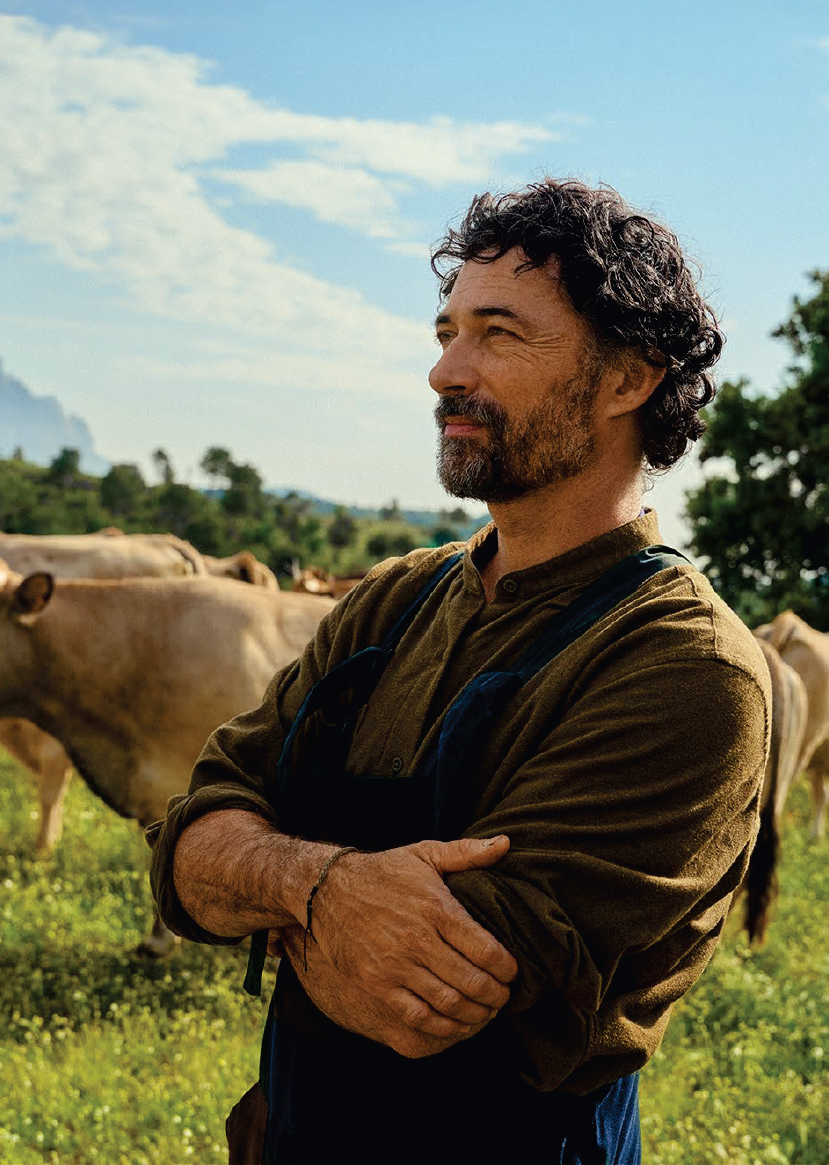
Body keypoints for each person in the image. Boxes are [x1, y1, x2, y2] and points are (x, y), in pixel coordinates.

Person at [147, 178, 774, 1164]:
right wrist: (317, 887)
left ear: (628, 379)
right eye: (446, 333)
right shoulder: (393, 600)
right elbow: (186, 845)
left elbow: (435, 996)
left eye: (499, 334)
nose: (445, 371)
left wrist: (263, 881)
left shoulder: (684, 663)